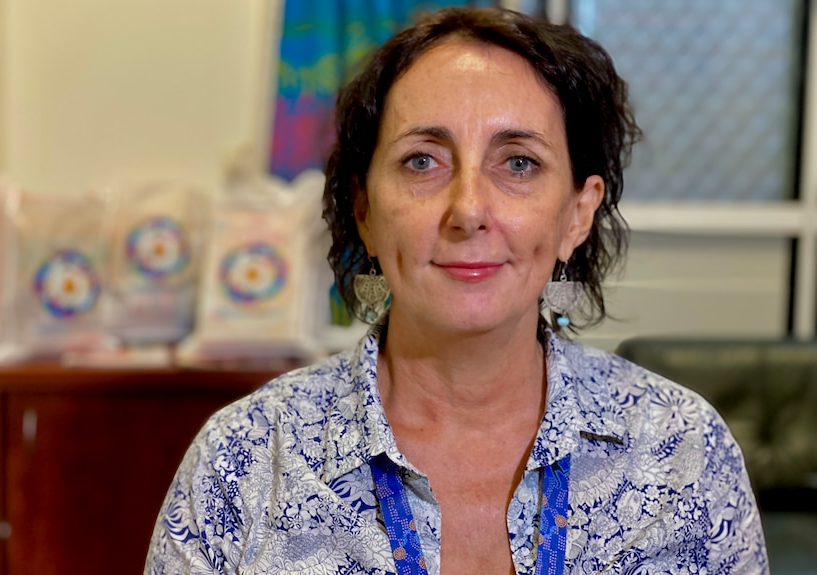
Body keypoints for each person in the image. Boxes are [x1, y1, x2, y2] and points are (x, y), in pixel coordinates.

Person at [145, 7, 767, 574]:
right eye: (423, 161)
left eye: (518, 162)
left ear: (577, 214)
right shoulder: (245, 462)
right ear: (364, 208)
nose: (468, 210)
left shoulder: (686, 452)